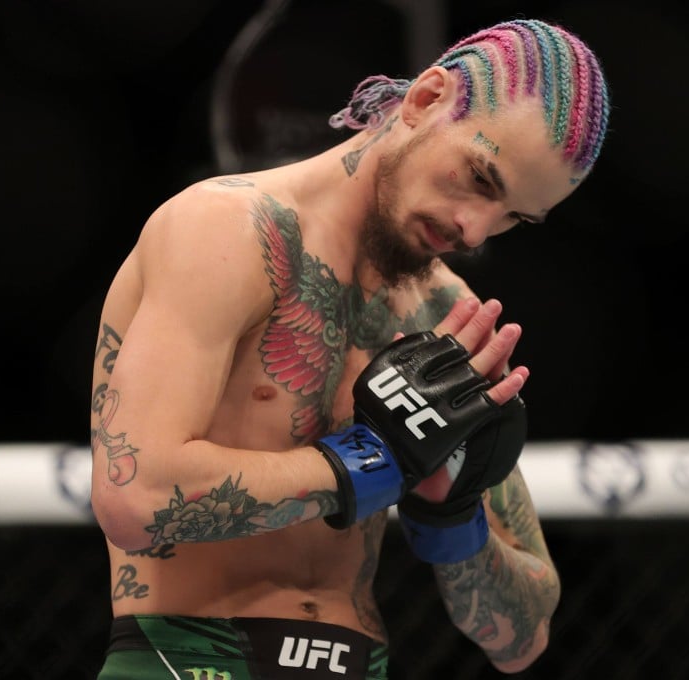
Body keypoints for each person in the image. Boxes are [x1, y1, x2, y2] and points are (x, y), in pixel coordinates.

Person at [90, 17, 610, 680]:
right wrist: (370, 463)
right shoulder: (224, 232)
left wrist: (449, 513)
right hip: (189, 659)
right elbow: (136, 499)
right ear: (425, 101)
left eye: (514, 217)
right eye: (482, 179)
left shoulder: (446, 314)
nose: (477, 229)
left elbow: (523, 637)